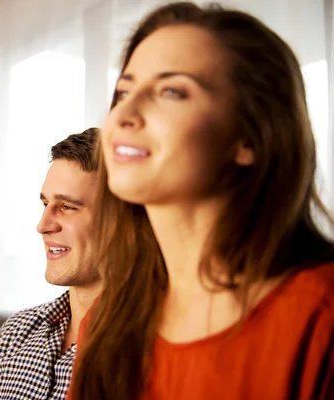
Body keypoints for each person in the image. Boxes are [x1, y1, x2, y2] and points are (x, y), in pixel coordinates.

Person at [69, 2, 334, 400]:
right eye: (123, 91)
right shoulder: (105, 322)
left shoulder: (321, 318)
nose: (123, 114)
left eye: (171, 91)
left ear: (250, 137)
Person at [0, 128, 102, 399]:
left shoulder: (155, 349)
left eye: (68, 206)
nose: (42, 225)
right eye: (45, 204)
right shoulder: (15, 333)